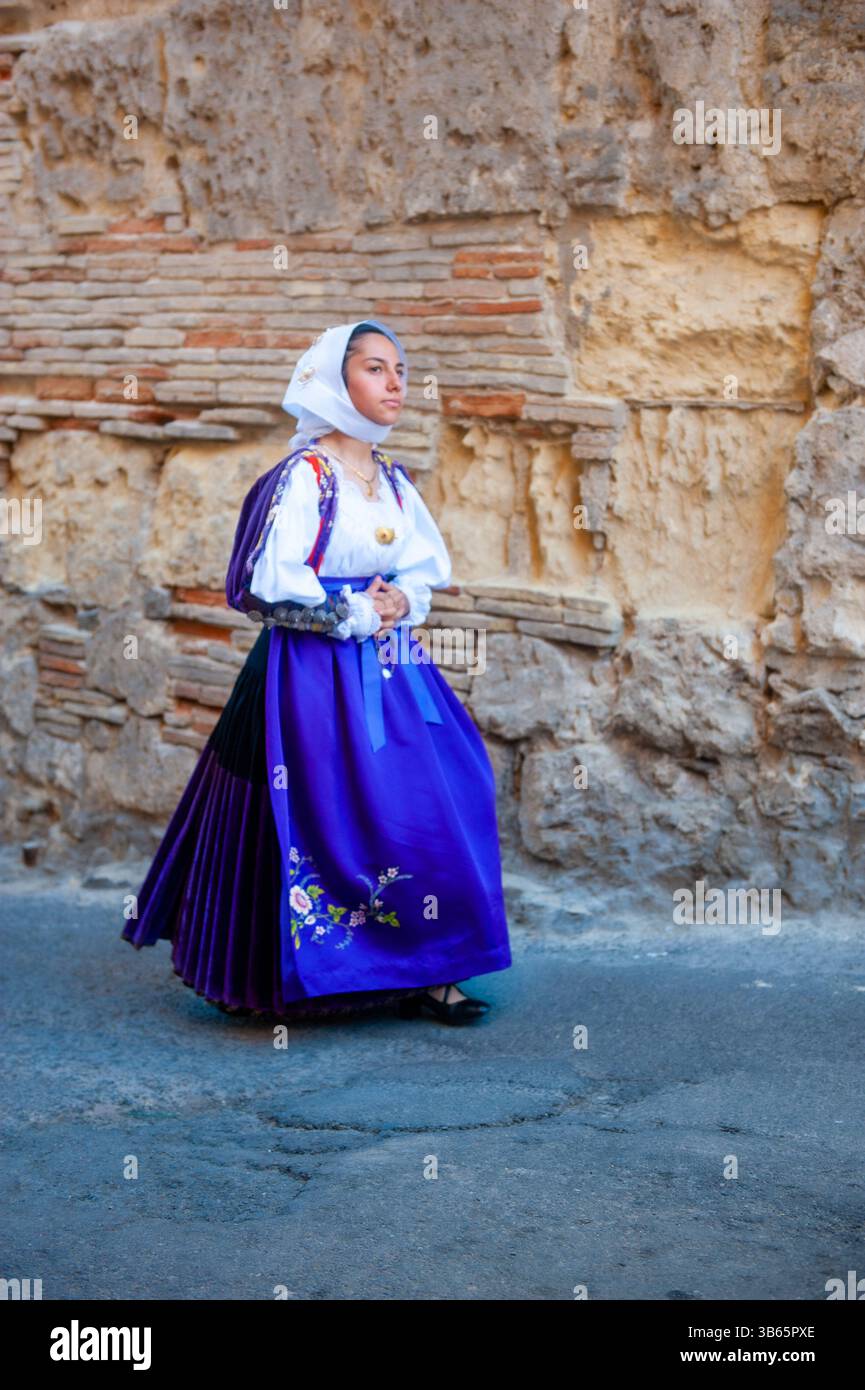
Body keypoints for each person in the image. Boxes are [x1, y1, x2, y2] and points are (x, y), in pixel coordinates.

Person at [121, 318, 512, 1026]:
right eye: (374, 369)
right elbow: (266, 588)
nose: (395, 383)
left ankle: (432, 967)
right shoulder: (302, 478)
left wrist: (403, 599)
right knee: (312, 808)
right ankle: (288, 976)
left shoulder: (390, 479)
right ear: (335, 381)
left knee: (445, 791)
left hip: (394, 670)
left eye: (398, 369)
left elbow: (424, 569)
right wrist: (355, 613)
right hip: (308, 678)